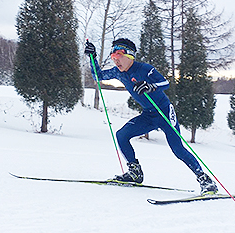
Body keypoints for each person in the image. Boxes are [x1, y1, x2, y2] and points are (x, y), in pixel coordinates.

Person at [84, 38, 218, 195]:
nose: (116, 61)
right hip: (149, 115)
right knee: (121, 135)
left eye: (119, 57)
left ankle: (206, 181)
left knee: (177, 148)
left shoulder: (144, 69)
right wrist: (92, 57)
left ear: (130, 56)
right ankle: (135, 173)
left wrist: (150, 86)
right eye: (113, 58)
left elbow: (165, 83)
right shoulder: (118, 73)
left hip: (164, 112)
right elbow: (98, 76)